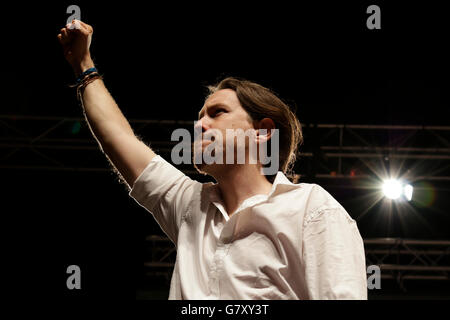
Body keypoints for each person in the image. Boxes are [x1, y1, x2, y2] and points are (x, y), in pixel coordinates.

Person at [58, 19, 368, 300]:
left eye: (217, 113)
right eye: (199, 117)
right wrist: (84, 65)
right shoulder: (190, 204)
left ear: (262, 132)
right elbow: (118, 138)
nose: (199, 125)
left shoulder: (311, 208)